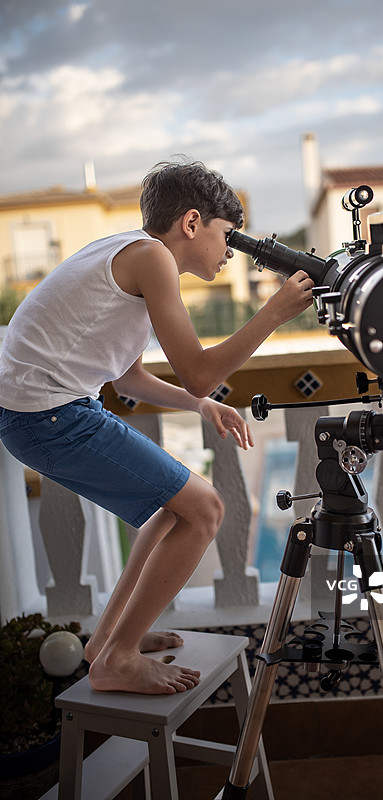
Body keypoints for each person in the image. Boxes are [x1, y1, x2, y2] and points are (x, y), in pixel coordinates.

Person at [0, 159, 314, 695]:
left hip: (42, 412)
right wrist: (272, 314)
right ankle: (116, 660)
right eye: (226, 236)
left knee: (176, 507)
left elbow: (128, 379)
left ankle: (108, 643)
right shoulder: (152, 259)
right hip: (49, 415)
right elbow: (198, 373)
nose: (230, 250)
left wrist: (201, 408)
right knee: (205, 508)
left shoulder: (129, 254)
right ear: (192, 223)